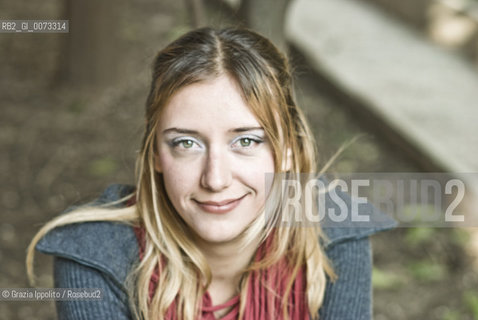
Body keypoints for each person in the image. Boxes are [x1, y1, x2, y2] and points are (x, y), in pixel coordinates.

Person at [27, 27, 396, 320]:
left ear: (286, 149)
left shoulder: (331, 232)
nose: (215, 180)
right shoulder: (97, 255)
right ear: (156, 151)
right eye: (187, 144)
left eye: (246, 141)